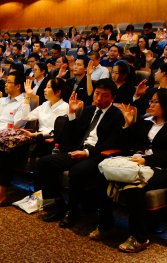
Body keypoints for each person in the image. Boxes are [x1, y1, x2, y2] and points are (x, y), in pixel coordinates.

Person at [91, 89, 167, 253]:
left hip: (161, 169)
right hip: (137, 163)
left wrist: (147, 160)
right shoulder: (145, 120)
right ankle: (106, 225)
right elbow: (128, 145)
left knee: (133, 187)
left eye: (155, 102)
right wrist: (128, 125)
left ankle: (140, 237)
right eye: (151, 101)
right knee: (103, 176)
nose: (151, 104)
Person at [35, 79, 124, 227]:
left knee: (77, 171)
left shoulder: (116, 115)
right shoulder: (89, 110)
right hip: (79, 149)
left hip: (97, 156)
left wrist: (87, 153)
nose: (99, 98)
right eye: (97, 94)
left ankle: (72, 211)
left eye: (105, 96)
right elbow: (77, 134)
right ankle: (59, 205)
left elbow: (111, 143)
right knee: (44, 162)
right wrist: (71, 114)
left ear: (113, 98)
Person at [0, 78, 70, 210]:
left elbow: (56, 132)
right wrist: (28, 97)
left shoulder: (64, 107)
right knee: (0, 147)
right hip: (34, 137)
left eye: (48, 87)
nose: (45, 89)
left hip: (47, 142)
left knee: (9, 152)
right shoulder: (45, 105)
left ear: (58, 92)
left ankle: (0, 194)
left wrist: (35, 135)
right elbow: (26, 117)